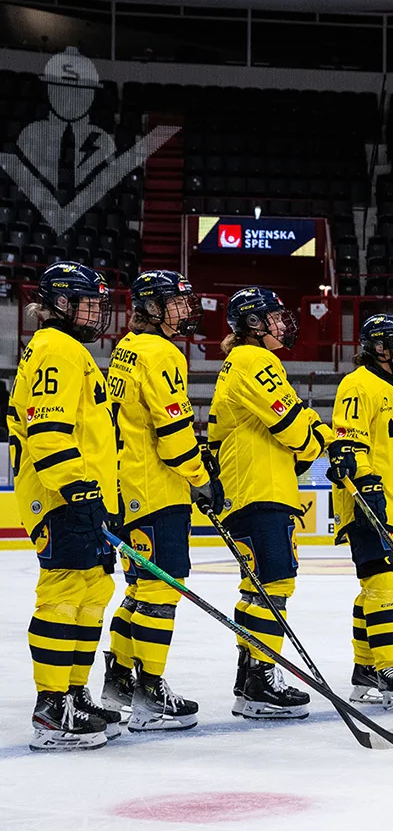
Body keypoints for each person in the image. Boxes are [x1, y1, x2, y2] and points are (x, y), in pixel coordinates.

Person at [209, 287, 332, 719]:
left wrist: (314, 432)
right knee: (275, 584)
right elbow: (294, 429)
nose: (284, 324)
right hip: (261, 489)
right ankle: (262, 677)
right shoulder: (255, 360)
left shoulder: (239, 362)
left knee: (255, 588)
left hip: (248, 487)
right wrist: (319, 438)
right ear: (253, 324)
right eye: (275, 317)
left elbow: (294, 417)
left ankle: (249, 678)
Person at [102, 270, 215, 732]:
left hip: (127, 485)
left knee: (139, 590)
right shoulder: (161, 352)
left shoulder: (126, 348)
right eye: (175, 303)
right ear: (151, 307)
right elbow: (172, 433)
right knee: (161, 590)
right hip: (157, 488)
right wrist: (201, 477)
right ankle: (151, 694)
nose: (185, 311)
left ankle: (119, 683)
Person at [13, 263, 119, 750]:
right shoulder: (56, 349)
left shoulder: (70, 349)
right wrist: (76, 487)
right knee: (63, 593)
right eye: (87, 303)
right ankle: (51, 708)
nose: (96, 312)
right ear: (59, 304)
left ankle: (74, 693)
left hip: (85, 495)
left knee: (91, 593)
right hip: (63, 496)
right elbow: (47, 430)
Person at [328, 314, 393, 708]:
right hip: (367, 501)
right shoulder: (357, 384)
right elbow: (348, 442)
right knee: (384, 585)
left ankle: (364, 668)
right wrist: (367, 488)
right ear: (377, 346)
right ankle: (387, 666)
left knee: (374, 587)